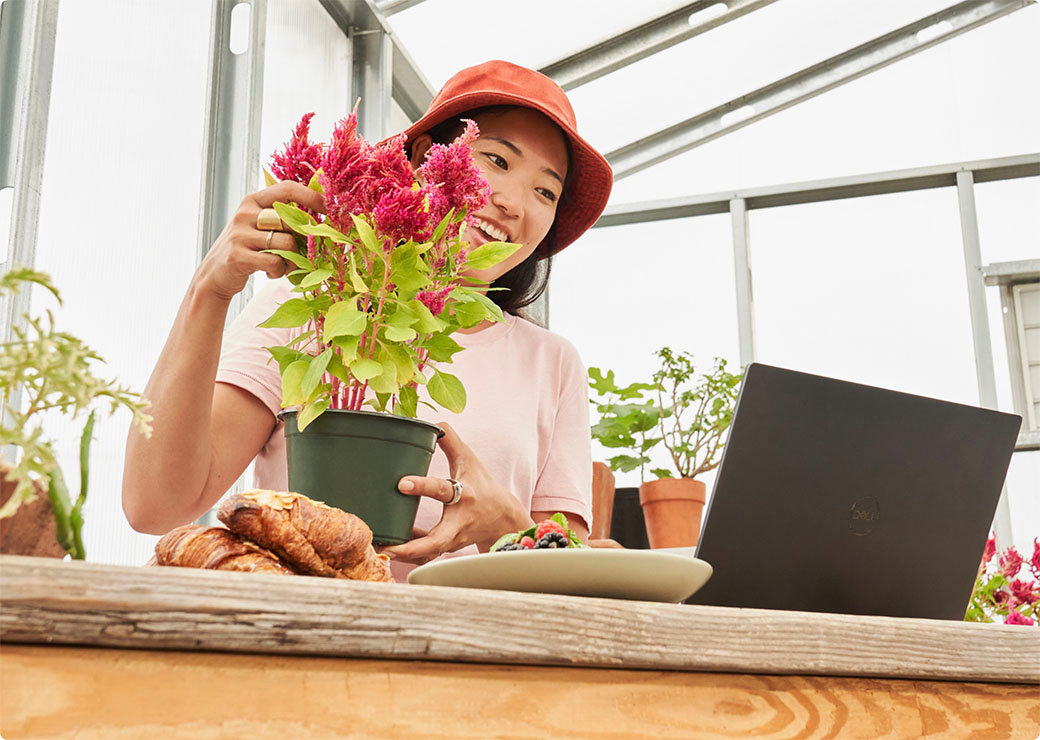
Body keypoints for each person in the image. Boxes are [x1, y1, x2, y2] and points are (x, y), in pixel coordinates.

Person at [122, 60, 614, 577]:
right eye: (496, 159)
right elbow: (154, 505)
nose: (512, 201)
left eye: (545, 192)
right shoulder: (316, 307)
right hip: (313, 642)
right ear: (429, 157)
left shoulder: (552, 364)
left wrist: (506, 526)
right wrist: (210, 290)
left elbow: (569, 579)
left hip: (472, 651)